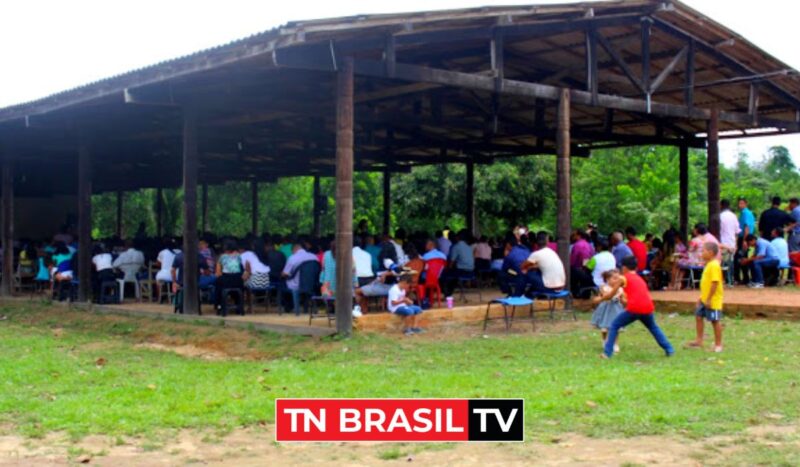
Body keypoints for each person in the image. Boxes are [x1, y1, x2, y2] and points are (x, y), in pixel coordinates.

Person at [594, 255, 674, 359]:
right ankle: (669, 349)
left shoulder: (623, 278)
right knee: (653, 327)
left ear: (624, 268)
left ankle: (607, 353)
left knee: (614, 326)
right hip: (648, 307)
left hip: (634, 308)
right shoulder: (639, 278)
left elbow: (610, 295)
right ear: (635, 267)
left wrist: (599, 299)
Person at [686, 242, 724, 353]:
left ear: (711, 253)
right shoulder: (709, 264)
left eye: (703, 251)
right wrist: (702, 297)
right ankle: (699, 340)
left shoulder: (714, 265)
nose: (701, 253)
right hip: (704, 298)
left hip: (712, 300)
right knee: (698, 316)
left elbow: (715, 283)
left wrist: (708, 299)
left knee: (715, 321)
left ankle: (718, 345)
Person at [590, 269, 624, 354]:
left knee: (616, 327)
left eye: (618, 278)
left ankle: (615, 344)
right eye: (614, 278)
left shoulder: (620, 289)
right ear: (608, 279)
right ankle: (604, 340)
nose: (617, 281)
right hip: (605, 310)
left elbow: (622, 298)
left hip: (616, 310)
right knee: (604, 328)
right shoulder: (604, 287)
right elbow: (606, 296)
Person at [281, 242, 319, 314]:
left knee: (283, 285)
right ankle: (308, 307)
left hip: (296, 285)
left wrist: (281, 274)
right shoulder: (314, 256)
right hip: (312, 284)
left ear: (294, 249)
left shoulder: (292, 258)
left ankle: (288, 307)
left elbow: (285, 273)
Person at [214, 238, 244, 315]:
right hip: (238, 280)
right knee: (239, 287)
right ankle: (238, 305)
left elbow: (218, 273)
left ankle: (218, 305)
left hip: (226, 279)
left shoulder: (222, 257)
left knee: (218, 284)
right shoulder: (239, 256)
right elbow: (241, 269)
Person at [441, 230, 475, 296]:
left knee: (444, 274)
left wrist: (449, 268)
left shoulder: (456, 246)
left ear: (458, 237)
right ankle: (448, 291)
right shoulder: (469, 247)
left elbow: (452, 262)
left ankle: (447, 292)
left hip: (462, 271)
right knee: (452, 275)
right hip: (471, 271)